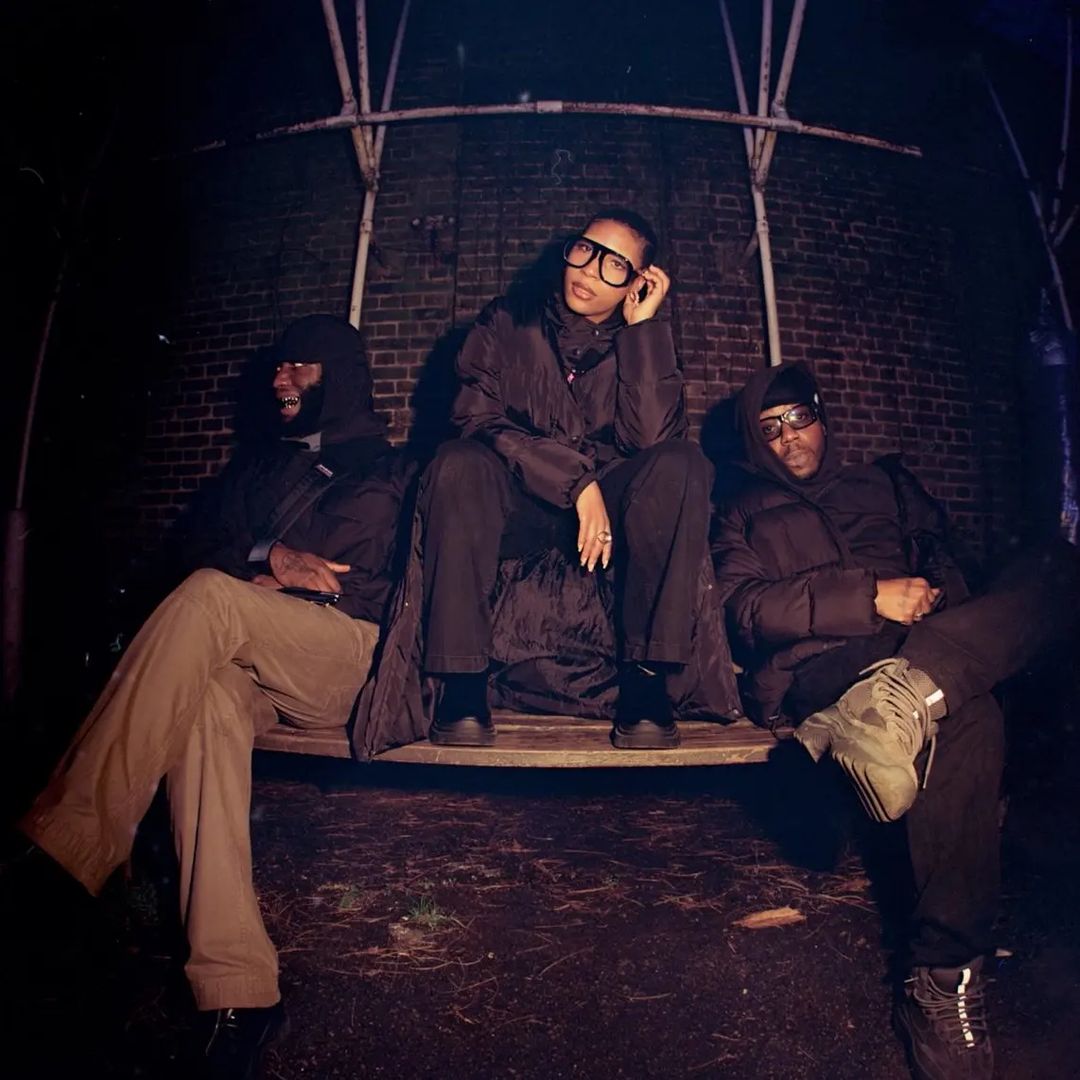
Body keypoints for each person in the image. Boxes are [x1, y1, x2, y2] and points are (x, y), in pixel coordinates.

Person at [7, 315, 410, 1079]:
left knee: (210, 596)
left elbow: (389, 580)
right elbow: (191, 545)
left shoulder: (392, 469)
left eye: (301, 366)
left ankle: (68, 844)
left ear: (340, 375)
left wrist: (287, 581)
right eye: (279, 366)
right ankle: (238, 988)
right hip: (248, 656)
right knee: (206, 703)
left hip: (346, 655)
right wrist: (269, 555)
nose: (281, 378)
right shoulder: (255, 469)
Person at [711, 361, 1078, 1080]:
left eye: (798, 419)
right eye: (770, 429)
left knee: (1058, 569)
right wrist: (868, 596)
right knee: (968, 717)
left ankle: (912, 691)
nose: (788, 439)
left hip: (930, 643)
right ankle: (944, 975)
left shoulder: (884, 483)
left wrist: (942, 602)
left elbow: (952, 560)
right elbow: (742, 610)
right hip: (828, 664)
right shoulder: (741, 509)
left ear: (822, 417)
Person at [354, 209, 739, 757]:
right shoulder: (506, 322)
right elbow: (474, 417)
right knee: (457, 462)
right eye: (585, 250)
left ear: (637, 282)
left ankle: (646, 682)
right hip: (519, 506)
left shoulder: (642, 339)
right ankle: (462, 684)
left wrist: (643, 330)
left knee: (682, 463)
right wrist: (574, 482)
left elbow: (652, 443)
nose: (588, 271)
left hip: (616, 517)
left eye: (614, 265)